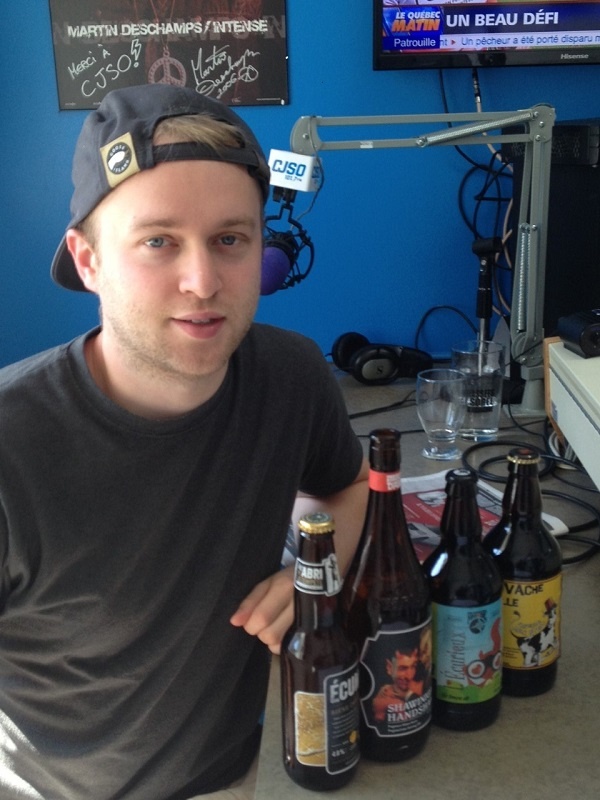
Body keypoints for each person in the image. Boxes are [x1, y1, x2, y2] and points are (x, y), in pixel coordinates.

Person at [0, 84, 369, 799]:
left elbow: (348, 487)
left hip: (226, 774)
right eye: (158, 242)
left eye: (230, 240)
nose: (202, 282)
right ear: (88, 261)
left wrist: (310, 574)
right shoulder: (12, 447)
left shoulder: (292, 377)